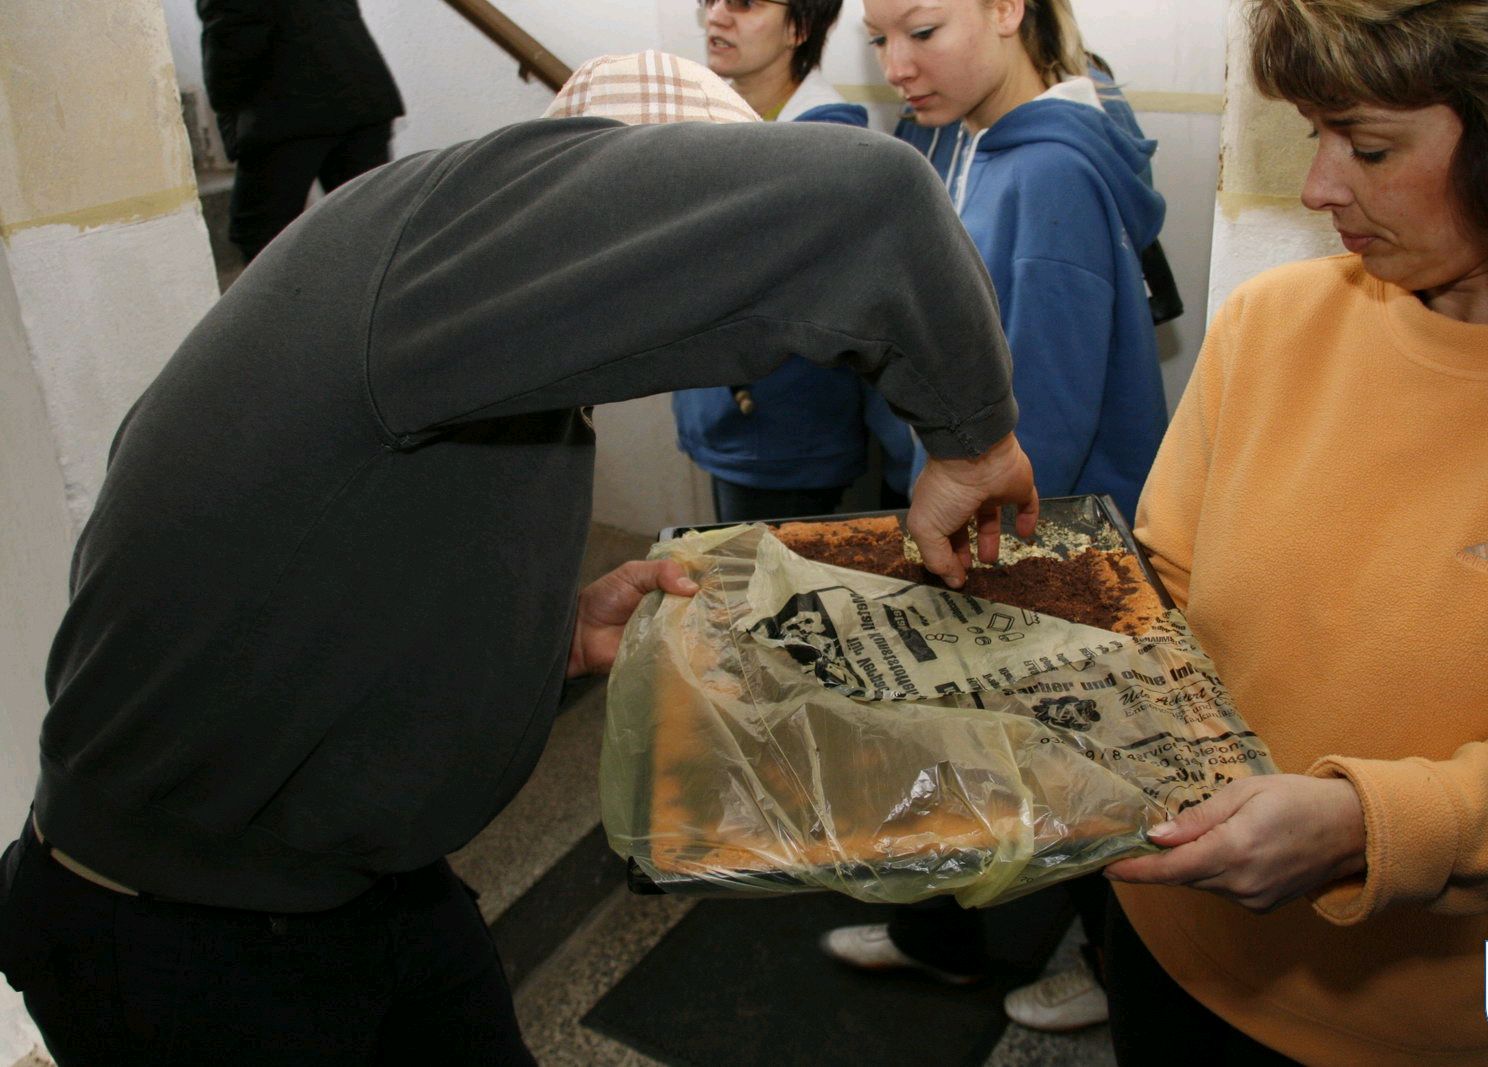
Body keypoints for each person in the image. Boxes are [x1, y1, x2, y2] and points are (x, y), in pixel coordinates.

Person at [0, 52, 1039, 1065]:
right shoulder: (427, 247)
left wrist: (545, 639)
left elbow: (330, 577)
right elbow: (874, 198)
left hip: (362, 889)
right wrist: (974, 442)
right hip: (178, 930)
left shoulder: (488, 341)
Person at [1098, 2, 1488, 1063]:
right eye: (1312, 136)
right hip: (1169, 939)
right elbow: (1165, 593)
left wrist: (1364, 826)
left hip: (1411, 1015)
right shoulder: (1269, 323)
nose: (1320, 187)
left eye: (1367, 148)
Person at [821, 0, 1169, 1034]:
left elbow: (1045, 407)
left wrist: (977, 535)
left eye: (922, 31)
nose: (897, 65)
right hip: (985, 509)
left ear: (1009, 10)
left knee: (1083, 766)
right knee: (970, 741)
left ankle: (1112, 967)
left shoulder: (1051, 169)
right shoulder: (967, 135)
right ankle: (942, 933)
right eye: (879, 40)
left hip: (1033, 524)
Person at [675, 0, 914, 521]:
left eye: (744, 3)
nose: (717, 17)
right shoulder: (727, 114)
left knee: (764, 567)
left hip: (783, 433)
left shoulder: (825, 140)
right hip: (732, 418)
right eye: (710, 0)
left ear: (799, 27)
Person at [198, 0, 405, 263]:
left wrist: (229, 110)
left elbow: (230, 41)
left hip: (284, 107)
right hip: (360, 92)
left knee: (260, 234)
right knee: (372, 225)